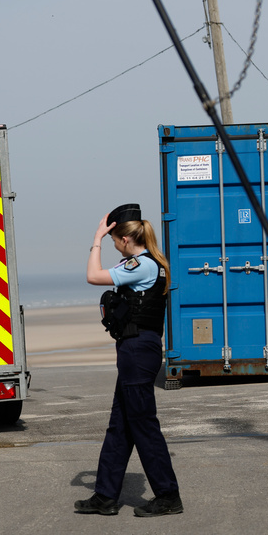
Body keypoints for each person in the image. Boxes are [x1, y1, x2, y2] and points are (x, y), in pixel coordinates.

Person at [74, 203, 182, 517]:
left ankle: (168, 495)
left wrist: (96, 237)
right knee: (119, 426)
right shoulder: (153, 262)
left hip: (138, 350)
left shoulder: (142, 264)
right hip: (139, 349)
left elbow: (93, 275)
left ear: (124, 240)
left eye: (113, 242)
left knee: (144, 425)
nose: (112, 247)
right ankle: (106, 495)